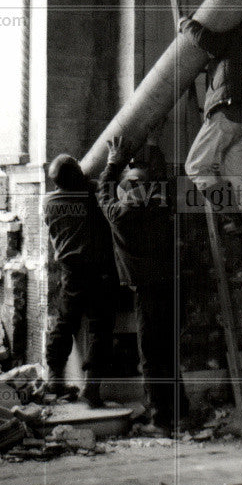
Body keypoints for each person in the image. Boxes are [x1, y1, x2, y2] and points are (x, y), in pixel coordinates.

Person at [97, 135, 189, 435]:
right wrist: (152, 142)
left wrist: (113, 162)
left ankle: (160, 421)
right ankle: (181, 412)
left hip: (147, 292)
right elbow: (160, 176)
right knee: (169, 352)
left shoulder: (120, 215)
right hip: (173, 288)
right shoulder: (162, 207)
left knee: (150, 356)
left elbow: (102, 192)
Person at [181, 15, 242, 259]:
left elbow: (208, 42)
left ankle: (231, 217)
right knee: (234, 179)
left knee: (195, 167)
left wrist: (185, 24)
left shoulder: (235, 35)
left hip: (227, 115)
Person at [42, 153, 117, 407]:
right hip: (100, 273)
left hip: (70, 273)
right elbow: (104, 188)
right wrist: (112, 163)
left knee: (64, 325)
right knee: (100, 329)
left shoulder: (49, 202)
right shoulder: (89, 197)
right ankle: (92, 389)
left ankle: (55, 382)